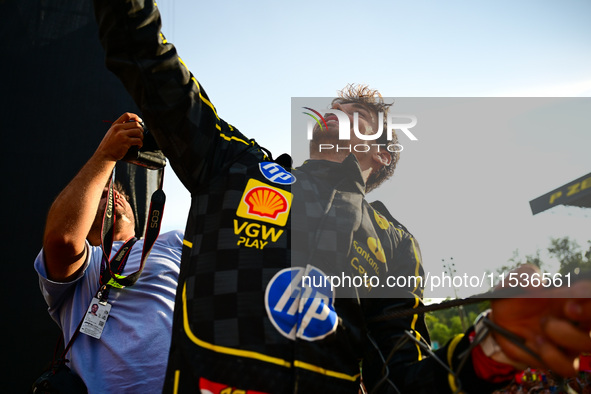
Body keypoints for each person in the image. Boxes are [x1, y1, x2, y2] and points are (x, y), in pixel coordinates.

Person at [92, 1, 591, 393]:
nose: (332, 112)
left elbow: (400, 379)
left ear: (382, 156)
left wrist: (490, 352)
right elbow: (141, 51)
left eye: (356, 116)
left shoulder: (395, 244)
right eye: (333, 107)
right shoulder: (233, 162)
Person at [34, 113, 183, 393]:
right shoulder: (85, 265)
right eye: (101, 194)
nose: (114, 195)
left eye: (117, 192)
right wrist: (106, 156)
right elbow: (63, 239)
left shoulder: (173, 243)